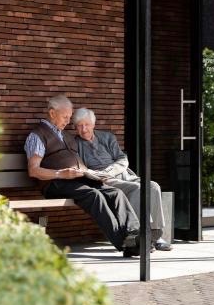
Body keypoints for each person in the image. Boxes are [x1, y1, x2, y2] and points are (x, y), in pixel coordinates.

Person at [24, 95, 141, 257]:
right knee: (94, 196)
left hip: (77, 179)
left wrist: (91, 174)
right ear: (52, 113)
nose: (67, 121)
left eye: (69, 117)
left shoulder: (66, 136)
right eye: (65, 117)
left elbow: (79, 163)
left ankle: (135, 234)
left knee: (115, 192)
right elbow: (34, 170)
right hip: (55, 183)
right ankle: (125, 244)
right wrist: (60, 174)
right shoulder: (37, 136)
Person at [73, 107, 173, 251]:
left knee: (153, 186)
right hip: (104, 180)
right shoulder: (74, 144)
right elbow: (81, 168)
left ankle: (155, 235)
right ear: (75, 127)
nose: (83, 129)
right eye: (79, 126)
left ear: (93, 124)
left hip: (124, 174)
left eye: (86, 125)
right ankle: (138, 235)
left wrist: (111, 170)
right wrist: (98, 174)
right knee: (137, 189)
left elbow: (122, 159)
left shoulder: (107, 137)